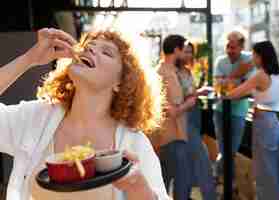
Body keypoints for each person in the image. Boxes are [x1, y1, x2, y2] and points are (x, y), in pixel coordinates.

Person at [0, 28, 169, 200]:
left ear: (121, 82)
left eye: (106, 52)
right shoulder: (34, 118)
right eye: (89, 45)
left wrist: (138, 187)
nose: (90, 49)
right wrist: (29, 59)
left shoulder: (135, 143)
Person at [227, 41, 279, 200]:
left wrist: (221, 92)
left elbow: (235, 93)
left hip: (263, 126)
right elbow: (265, 95)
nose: (252, 58)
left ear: (260, 56)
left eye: (254, 55)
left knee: (264, 172)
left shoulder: (260, 75)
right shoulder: (278, 74)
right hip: (274, 125)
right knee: (272, 171)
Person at [156, 35, 196, 200]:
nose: (185, 54)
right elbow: (171, 110)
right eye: (183, 50)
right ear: (176, 50)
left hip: (170, 136)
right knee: (181, 180)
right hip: (172, 136)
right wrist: (189, 103)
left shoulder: (166, 71)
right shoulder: (167, 74)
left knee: (165, 180)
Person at [213, 31, 254, 186]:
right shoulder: (220, 61)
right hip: (220, 111)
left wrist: (228, 82)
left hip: (238, 112)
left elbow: (248, 89)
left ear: (242, 46)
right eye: (227, 46)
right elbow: (219, 89)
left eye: (233, 47)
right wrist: (239, 75)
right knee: (225, 151)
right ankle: (229, 185)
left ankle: (217, 175)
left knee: (231, 152)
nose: (230, 50)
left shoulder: (250, 59)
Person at [176, 42, 217, 200]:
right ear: (177, 52)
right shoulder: (174, 73)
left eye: (190, 52)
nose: (188, 55)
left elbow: (190, 93)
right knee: (203, 158)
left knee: (186, 164)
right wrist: (199, 92)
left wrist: (198, 92)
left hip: (194, 117)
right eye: (185, 51)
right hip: (184, 119)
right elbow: (178, 97)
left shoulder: (187, 71)